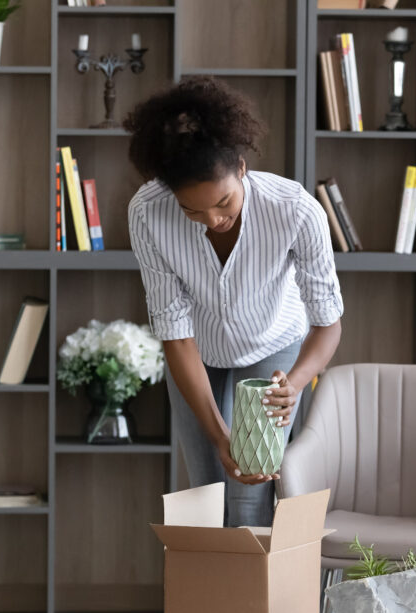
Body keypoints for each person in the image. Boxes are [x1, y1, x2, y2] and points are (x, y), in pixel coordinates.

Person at [124, 76, 343, 527]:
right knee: (204, 494)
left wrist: (295, 384)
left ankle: (258, 598)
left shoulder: (296, 210)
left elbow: (327, 322)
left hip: (271, 345)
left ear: (241, 168)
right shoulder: (148, 213)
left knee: (252, 492)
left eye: (223, 202)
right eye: (193, 210)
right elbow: (175, 335)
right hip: (196, 352)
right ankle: (210, 598)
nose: (213, 220)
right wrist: (218, 434)